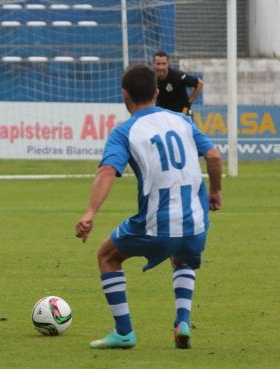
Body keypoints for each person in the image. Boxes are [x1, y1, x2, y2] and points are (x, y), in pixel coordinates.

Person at [75, 64, 222, 349]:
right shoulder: (182, 121)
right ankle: (182, 321)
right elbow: (214, 156)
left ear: (124, 94)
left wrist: (90, 213)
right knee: (183, 256)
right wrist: (215, 191)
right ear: (156, 92)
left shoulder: (125, 131)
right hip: (197, 221)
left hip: (158, 222)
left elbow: (107, 172)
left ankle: (124, 332)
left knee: (107, 256)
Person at [153, 51, 204, 116]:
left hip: (181, 114)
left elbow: (200, 84)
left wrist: (188, 104)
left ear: (168, 64)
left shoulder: (178, 76)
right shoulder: (150, 78)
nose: (161, 67)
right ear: (153, 64)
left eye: (164, 64)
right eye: (158, 64)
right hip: (163, 115)